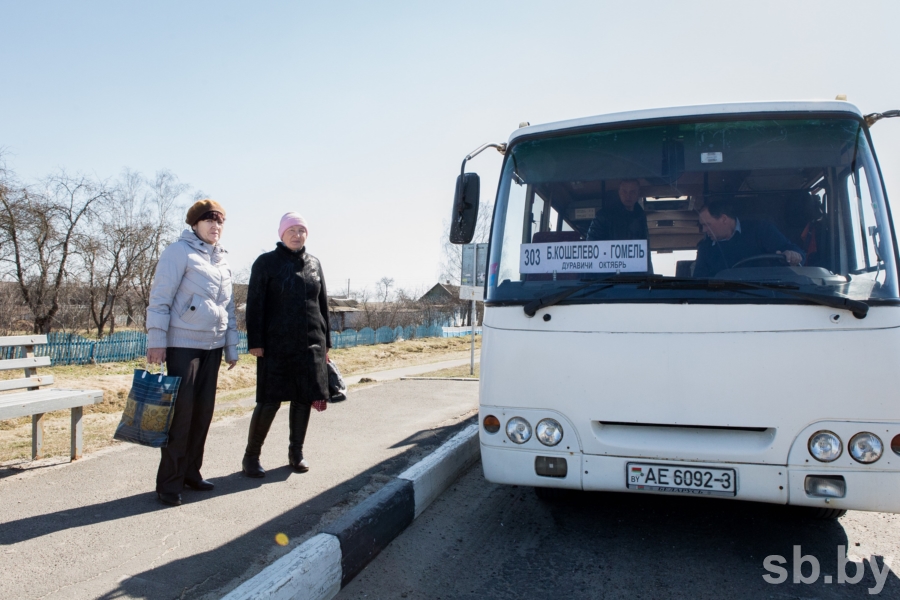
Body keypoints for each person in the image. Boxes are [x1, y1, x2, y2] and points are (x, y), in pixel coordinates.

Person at [146, 199, 238, 507]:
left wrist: (231, 346)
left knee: (203, 415)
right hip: (183, 345)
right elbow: (160, 298)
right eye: (209, 221)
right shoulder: (178, 252)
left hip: (211, 346)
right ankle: (168, 483)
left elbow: (229, 308)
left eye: (220, 222)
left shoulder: (222, 260)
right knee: (181, 416)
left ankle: (191, 473)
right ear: (195, 224)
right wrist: (156, 341)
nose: (215, 226)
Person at [242, 212, 331, 478]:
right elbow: (255, 304)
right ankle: (251, 457)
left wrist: (326, 343)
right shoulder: (266, 263)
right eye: (291, 230)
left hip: (310, 346)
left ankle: (296, 453)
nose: (297, 234)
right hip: (276, 346)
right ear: (281, 234)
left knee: (303, 400)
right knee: (269, 401)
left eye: (301, 230)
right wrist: (255, 341)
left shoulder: (314, 263)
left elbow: (322, 305)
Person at [693, 199, 805, 278]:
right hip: (724, 306)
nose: (704, 230)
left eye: (707, 224)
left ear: (724, 219)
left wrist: (793, 254)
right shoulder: (705, 249)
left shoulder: (761, 230)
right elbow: (699, 285)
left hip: (769, 300)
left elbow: (792, 250)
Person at [586, 179, 652, 271]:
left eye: (632, 192)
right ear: (619, 192)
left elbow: (645, 254)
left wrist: (648, 277)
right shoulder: (603, 216)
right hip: (609, 279)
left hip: (637, 277)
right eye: (624, 191)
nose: (628, 195)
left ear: (638, 193)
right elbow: (592, 249)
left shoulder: (640, 217)